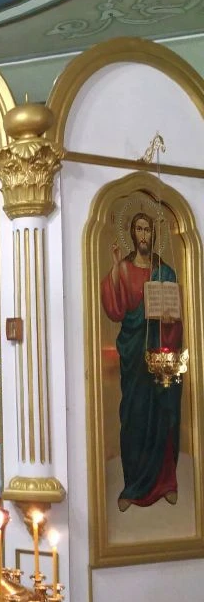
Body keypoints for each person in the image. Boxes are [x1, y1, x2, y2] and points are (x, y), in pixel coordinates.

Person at [100, 211, 182, 511]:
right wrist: (114, 267)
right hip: (134, 355)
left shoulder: (165, 271)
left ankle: (167, 483)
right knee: (133, 416)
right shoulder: (123, 268)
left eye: (148, 229)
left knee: (162, 414)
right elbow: (116, 310)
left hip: (160, 354)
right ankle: (133, 486)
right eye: (139, 229)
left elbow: (176, 315)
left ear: (153, 234)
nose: (144, 235)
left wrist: (170, 320)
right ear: (133, 234)